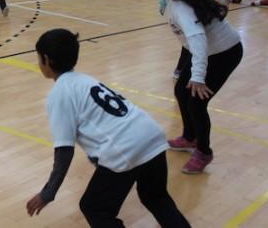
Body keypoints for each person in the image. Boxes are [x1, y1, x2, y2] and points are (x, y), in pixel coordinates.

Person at [25, 28, 191, 227]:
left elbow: (64, 152)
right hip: (151, 134)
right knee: (156, 197)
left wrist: (48, 193)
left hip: (127, 146)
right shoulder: (84, 79)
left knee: (94, 207)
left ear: (46, 60)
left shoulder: (59, 93)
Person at [150, 0, 243, 174]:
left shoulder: (182, 6)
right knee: (181, 92)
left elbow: (198, 40)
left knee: (196, 103)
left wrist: (198, 76)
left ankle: (204, 151)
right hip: (208, 52)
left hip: (224, 53)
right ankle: (190, 137)